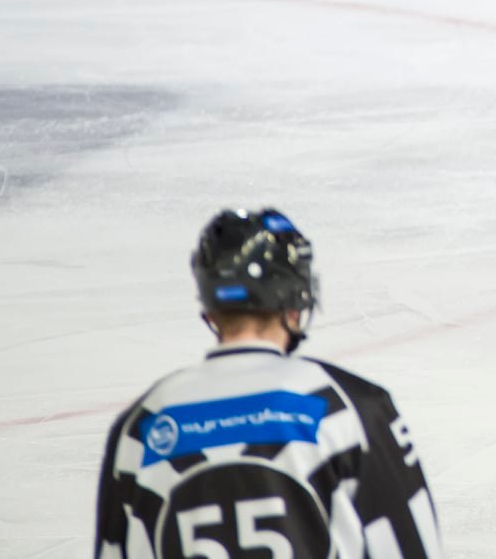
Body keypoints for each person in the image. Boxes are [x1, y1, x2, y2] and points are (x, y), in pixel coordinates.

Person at [95, 208, 441, 558]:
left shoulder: (144, 423)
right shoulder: (348, 407)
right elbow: (409, 546)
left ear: (210, 307)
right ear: (294, 299)